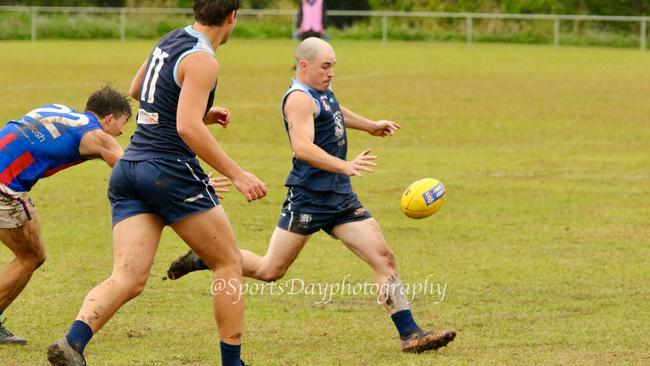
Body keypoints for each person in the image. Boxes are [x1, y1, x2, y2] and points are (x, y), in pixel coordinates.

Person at [167, 37, 457, 354]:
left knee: (383, 257)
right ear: (304, 65)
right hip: (308, 198)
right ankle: (206, 258)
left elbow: (333, 111)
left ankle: (410, 333)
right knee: (270, 270)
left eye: (333, 66)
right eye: (325, 66)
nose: (331, 73)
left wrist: (370, 125)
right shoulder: (298, 99)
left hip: (340, 198)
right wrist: (344, 165)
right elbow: (302, 148)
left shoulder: (321, 93)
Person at [46, 1, 267, 365]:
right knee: (228, 262)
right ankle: (233, 362)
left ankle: (73, 342)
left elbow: (138, 90)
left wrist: (197, 111)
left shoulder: (170, 39)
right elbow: (186, 127)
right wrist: (237, 174)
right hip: (168, 170)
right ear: (232, 18)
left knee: (128, 277)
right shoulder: (204, 59)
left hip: (130, 168)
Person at [0, 85, 131, 346]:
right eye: (123, 124)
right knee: (31, 256)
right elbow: (132, 170)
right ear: (109, 118)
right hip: (4, 188)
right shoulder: (97, 136)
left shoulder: (56, 108)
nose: (122, 132)